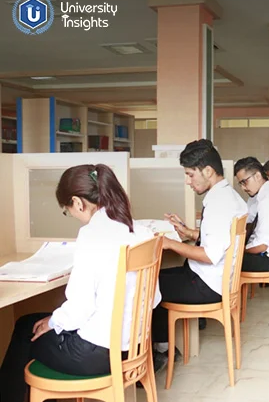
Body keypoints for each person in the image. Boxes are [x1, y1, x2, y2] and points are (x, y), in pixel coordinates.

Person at [0, 164, 160, 402]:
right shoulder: (143, 232)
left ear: (77, 202)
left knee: (26, 328)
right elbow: (154, 298)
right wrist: (56, 320)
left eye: (68, 210)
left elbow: (80, 308)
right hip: (133, 347)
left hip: (96, 355)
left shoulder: (91, 235)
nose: (72, 215)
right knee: (38, 322)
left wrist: (55, 321)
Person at [154, 139, 247, 368]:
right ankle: (164, 345)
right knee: (161, 276)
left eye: (190, 175)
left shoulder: (218, 202)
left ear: (208, 170)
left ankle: (161, 352)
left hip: (207, 284)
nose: (187, 182)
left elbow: (209, 255)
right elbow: (219, 240)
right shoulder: (229, 196)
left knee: (146, 283)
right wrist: (188, 232)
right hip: (218, 279)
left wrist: (169, 243)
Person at [235, 157, 269, 273]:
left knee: (224, 260)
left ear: (258, 176)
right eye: (240, 184)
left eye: (245, 182)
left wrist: (239, 250)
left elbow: (261, 245)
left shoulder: (267, 200)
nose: (243, 188)